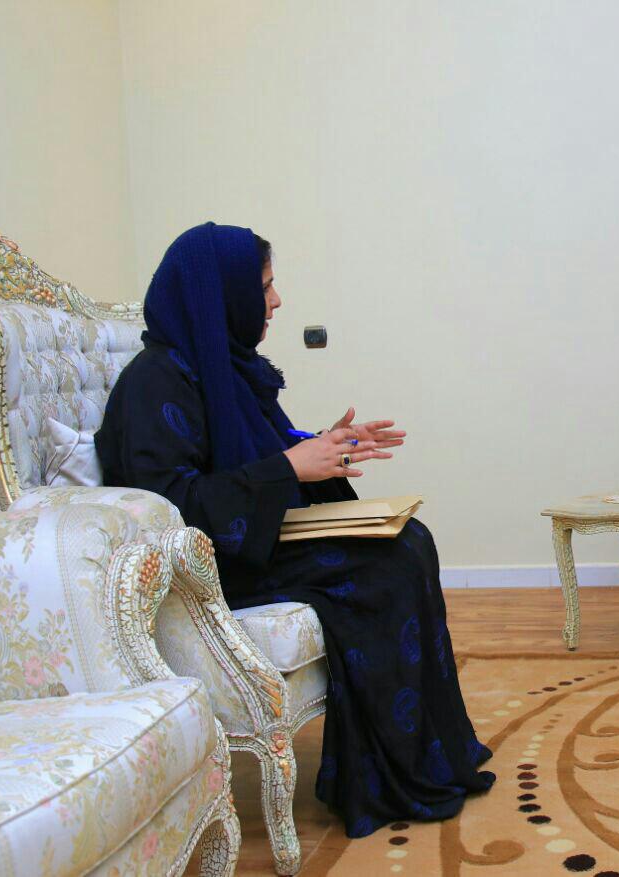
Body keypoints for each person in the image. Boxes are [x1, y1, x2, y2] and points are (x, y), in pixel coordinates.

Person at [95, 222, 494, 838]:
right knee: (387, 566)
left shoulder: (221, 367)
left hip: (252, 540)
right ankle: (386, 776)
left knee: (410, 540)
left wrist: (324, 446)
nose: (276, 301)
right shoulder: (155, 382)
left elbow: (258, 454)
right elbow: (167, 506)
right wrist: (289, 467)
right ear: (221, 295)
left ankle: (431, 753)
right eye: (264, 288)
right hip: (212, 569)